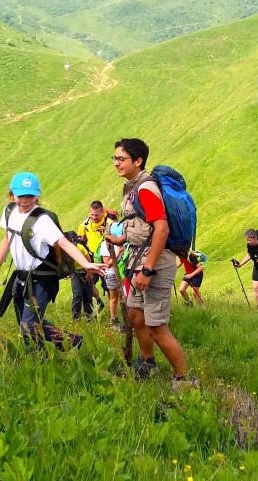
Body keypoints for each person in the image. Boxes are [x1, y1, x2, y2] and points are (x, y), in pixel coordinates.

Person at [113, 138, 196, 389]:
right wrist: (121, 237)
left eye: (121, 158)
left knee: (156, 325)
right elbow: (142, 225)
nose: (116, 163)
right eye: (114, 158)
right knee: (136, 315)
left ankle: (185, 381)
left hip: (154, 262)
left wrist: (148, 268)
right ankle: (146, 364)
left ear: (138, 161)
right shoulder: (133, 187)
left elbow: (161, 229)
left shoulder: (145, 188)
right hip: (140, 259)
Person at [0, 172, 103, 352]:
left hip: (42, 279)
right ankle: (71, 340)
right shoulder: (9, 212)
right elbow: (7, 239)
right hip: (21, 276)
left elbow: (64, 243)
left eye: (30, 196)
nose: (25, 201)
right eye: (20, 196)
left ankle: (39, 359)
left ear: (37, 196)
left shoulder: (42, 221)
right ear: (12, 195)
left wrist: (86, 264)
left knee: (28, 324)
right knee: (27, 322)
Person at [76, 201, 112, 315]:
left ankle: (113, 310)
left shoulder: (110, 223)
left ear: (103, 212)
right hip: (91, 260)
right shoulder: (85, 225)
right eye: (92, 215)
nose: (93, 217)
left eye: (96, 215)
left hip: (106, 260)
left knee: (110, 286)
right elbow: (80, 242)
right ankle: (98, 302)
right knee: (89, 284)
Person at [65, 231, 96, 321]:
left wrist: (89, 273)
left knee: (87, 294)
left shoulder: (80, 247)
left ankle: (89, 316)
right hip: (75, 273)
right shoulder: (66, 249)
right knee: (77, 295)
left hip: (85, 271)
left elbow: (89, 261)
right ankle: (75, 318)